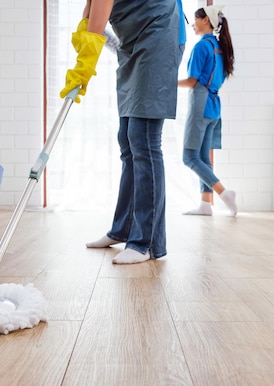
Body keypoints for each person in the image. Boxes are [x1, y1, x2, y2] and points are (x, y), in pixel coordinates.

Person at [60, 0, 185, 264]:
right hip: (133, 41)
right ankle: (124, 229)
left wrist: (83, 68)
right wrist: (81, 47)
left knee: (144, 138)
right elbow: (89, 15)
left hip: (158, 33)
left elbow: (97, 28)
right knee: (128, 139)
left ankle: (146, 242)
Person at [178, 5, 237, 217]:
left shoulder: (202, 47)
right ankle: (205, 204)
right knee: (203, 157)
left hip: (201, 105)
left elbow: (192, 81)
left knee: (189, 157)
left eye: (195, 20)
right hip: (214, 108)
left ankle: (224, 193)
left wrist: (169, 82)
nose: (193, 25)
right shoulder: (220, 48)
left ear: (205, 21)